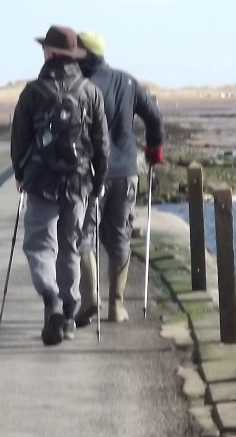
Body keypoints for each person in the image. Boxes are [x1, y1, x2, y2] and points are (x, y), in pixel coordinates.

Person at [10, 25, 110, 346]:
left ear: (51, 53)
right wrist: (99, 180)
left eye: (45, 48)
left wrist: (20, 173)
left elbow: (19, 137)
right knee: (71, 246)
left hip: (41, 180)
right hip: (78, 182)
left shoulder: (32, 92)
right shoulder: (90, 92)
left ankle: (51, 300)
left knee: (40, 246)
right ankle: (68, 314)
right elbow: (101, 142)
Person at [74, 32, 164, 325]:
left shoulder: (81, 86)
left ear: (85, 54)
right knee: (120, 234)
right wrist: (154, 149)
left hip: (91, 174)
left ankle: (90, 299)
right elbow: (154, 117)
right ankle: (116, 306)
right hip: (126, 171)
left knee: (83, 234)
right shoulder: (127, 82)